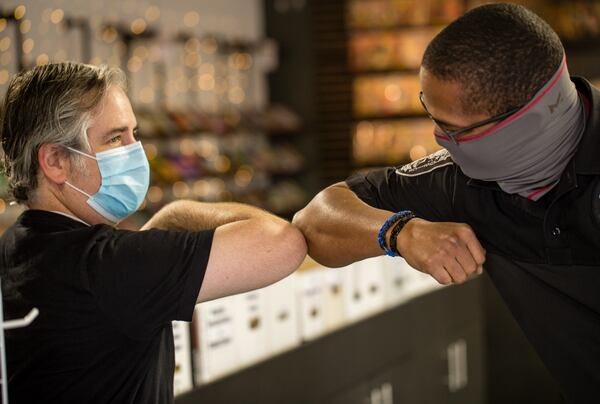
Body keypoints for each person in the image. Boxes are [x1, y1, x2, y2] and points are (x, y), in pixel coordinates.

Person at [294, 3, 600, 403]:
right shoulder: (462, 181)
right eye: (431, 115)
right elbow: (317, 218)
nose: (437, 136)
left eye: (452, 128)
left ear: (527, 119)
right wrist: (399, 232)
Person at [0, 62, 307, 403]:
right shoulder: (109, 265)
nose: (135, 152)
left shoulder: (12, 249)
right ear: (55, 161)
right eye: (115, 138)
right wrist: (176, 214)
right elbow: (282, 242)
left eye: (135, 134)